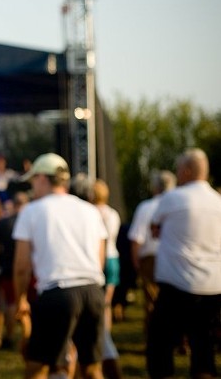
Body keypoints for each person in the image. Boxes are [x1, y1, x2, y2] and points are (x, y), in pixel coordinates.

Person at [13, 153, 107, 379]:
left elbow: (21, 266)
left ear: (43, 179)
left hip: (58, 292)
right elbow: (99, 257)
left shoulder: (32, 211)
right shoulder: (90, 210)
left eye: (33, 180)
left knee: (38, 367)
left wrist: (20, 299)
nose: (32, 187)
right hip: (93, 291)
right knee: (92, 368)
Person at [146, 148, 221, 379]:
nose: (177, 174)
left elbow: (154, 229)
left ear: (187, 171)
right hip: (213, 287)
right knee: (204, 353)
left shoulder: (173, 197)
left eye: (179, 169)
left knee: (159, 349)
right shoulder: (218, 201)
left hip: (177, 286)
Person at [127, 169, 176, 337]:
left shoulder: (146, 207)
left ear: (155, 187)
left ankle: (154, 338)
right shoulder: (178, 205)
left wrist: (136, 260)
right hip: (174, 258)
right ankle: (178, 339)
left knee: (152, 302)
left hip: (150, 259)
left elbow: (136, 238)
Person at [0, 190, 29, 350]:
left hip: (7, 268)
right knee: (27, 303)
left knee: (10, 303)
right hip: (27, 269)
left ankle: (10, 336)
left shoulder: (4, 222)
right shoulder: (30, 220)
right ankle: (27, 336)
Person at [91, 179, 123, 379]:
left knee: (99, 302)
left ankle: (103, 337)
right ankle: (106, 334)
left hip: (99, 257)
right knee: (107, 302)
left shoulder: (91, 212)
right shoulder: (113, 213)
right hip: (113, 257)